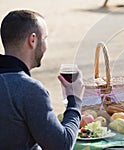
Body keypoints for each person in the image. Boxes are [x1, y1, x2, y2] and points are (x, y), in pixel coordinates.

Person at [0, 10, 84, 149]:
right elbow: (62, 145)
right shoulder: (29, 89)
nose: (46, 45)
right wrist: (75, 101)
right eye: (45, 38)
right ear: (32, 40)